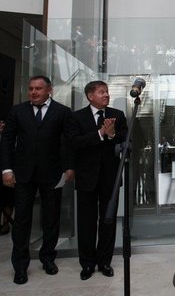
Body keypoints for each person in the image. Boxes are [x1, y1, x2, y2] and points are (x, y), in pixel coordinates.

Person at [0, 76, 74, 285]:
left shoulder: (62, 111)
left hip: (52, 173)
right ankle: (20, 266)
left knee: (51, 218)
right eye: (31, 88)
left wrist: (69, 166)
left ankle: (48, 258)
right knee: (22, 219)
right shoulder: (18, 111)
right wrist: (6, 169)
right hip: (23, 174)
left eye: (38, 88)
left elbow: (68, 142)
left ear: (49, 90)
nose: (34, 92)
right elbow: (7, 140)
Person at [67, 81, 127, 281]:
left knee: (108, 221)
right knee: (86, 222)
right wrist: (100, 134)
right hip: (86, 177)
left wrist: (112, 135)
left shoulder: (117, 115)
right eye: (101, 92)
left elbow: (126, 141)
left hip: (110, 177)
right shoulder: (76, 117)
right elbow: (74, 143)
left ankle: (104, 262)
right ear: (90, 96)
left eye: (107, 91)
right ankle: (87, 263)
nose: (106, 95)